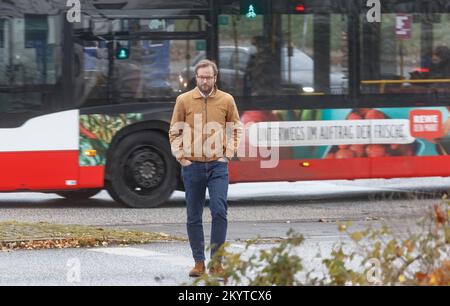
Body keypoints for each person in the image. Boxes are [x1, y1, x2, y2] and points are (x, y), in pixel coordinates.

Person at [169, 59, 242, 277]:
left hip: (218, 166)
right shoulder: (184, 100)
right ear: (196, 78)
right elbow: (174, 131)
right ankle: (198, 262)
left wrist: (228, 154)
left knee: (219, 211)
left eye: (208, 77)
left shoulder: (226, 100)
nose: (204, 80)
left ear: (215, 78)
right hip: (192, 167)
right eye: (201, 77)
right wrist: (181, 158)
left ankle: (217, 263)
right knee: (194, 215)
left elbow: (236, 128)